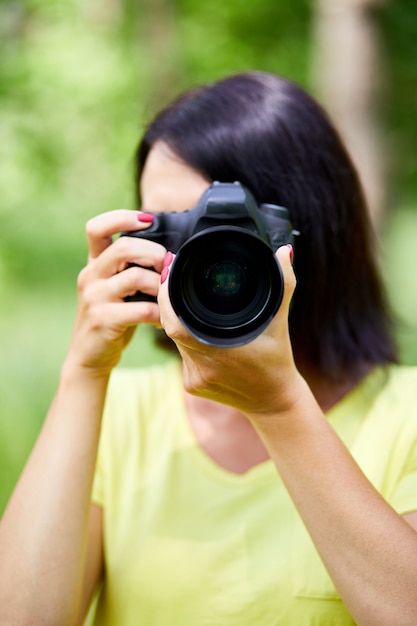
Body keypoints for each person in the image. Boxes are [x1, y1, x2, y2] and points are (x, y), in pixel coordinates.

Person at [1, 71, 417, 626]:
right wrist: (83, 372)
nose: (200, 263)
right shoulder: (116, 414)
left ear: (309, 237)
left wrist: (279, 407)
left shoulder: (406, 416)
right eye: (174, 229)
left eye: (230, 233)